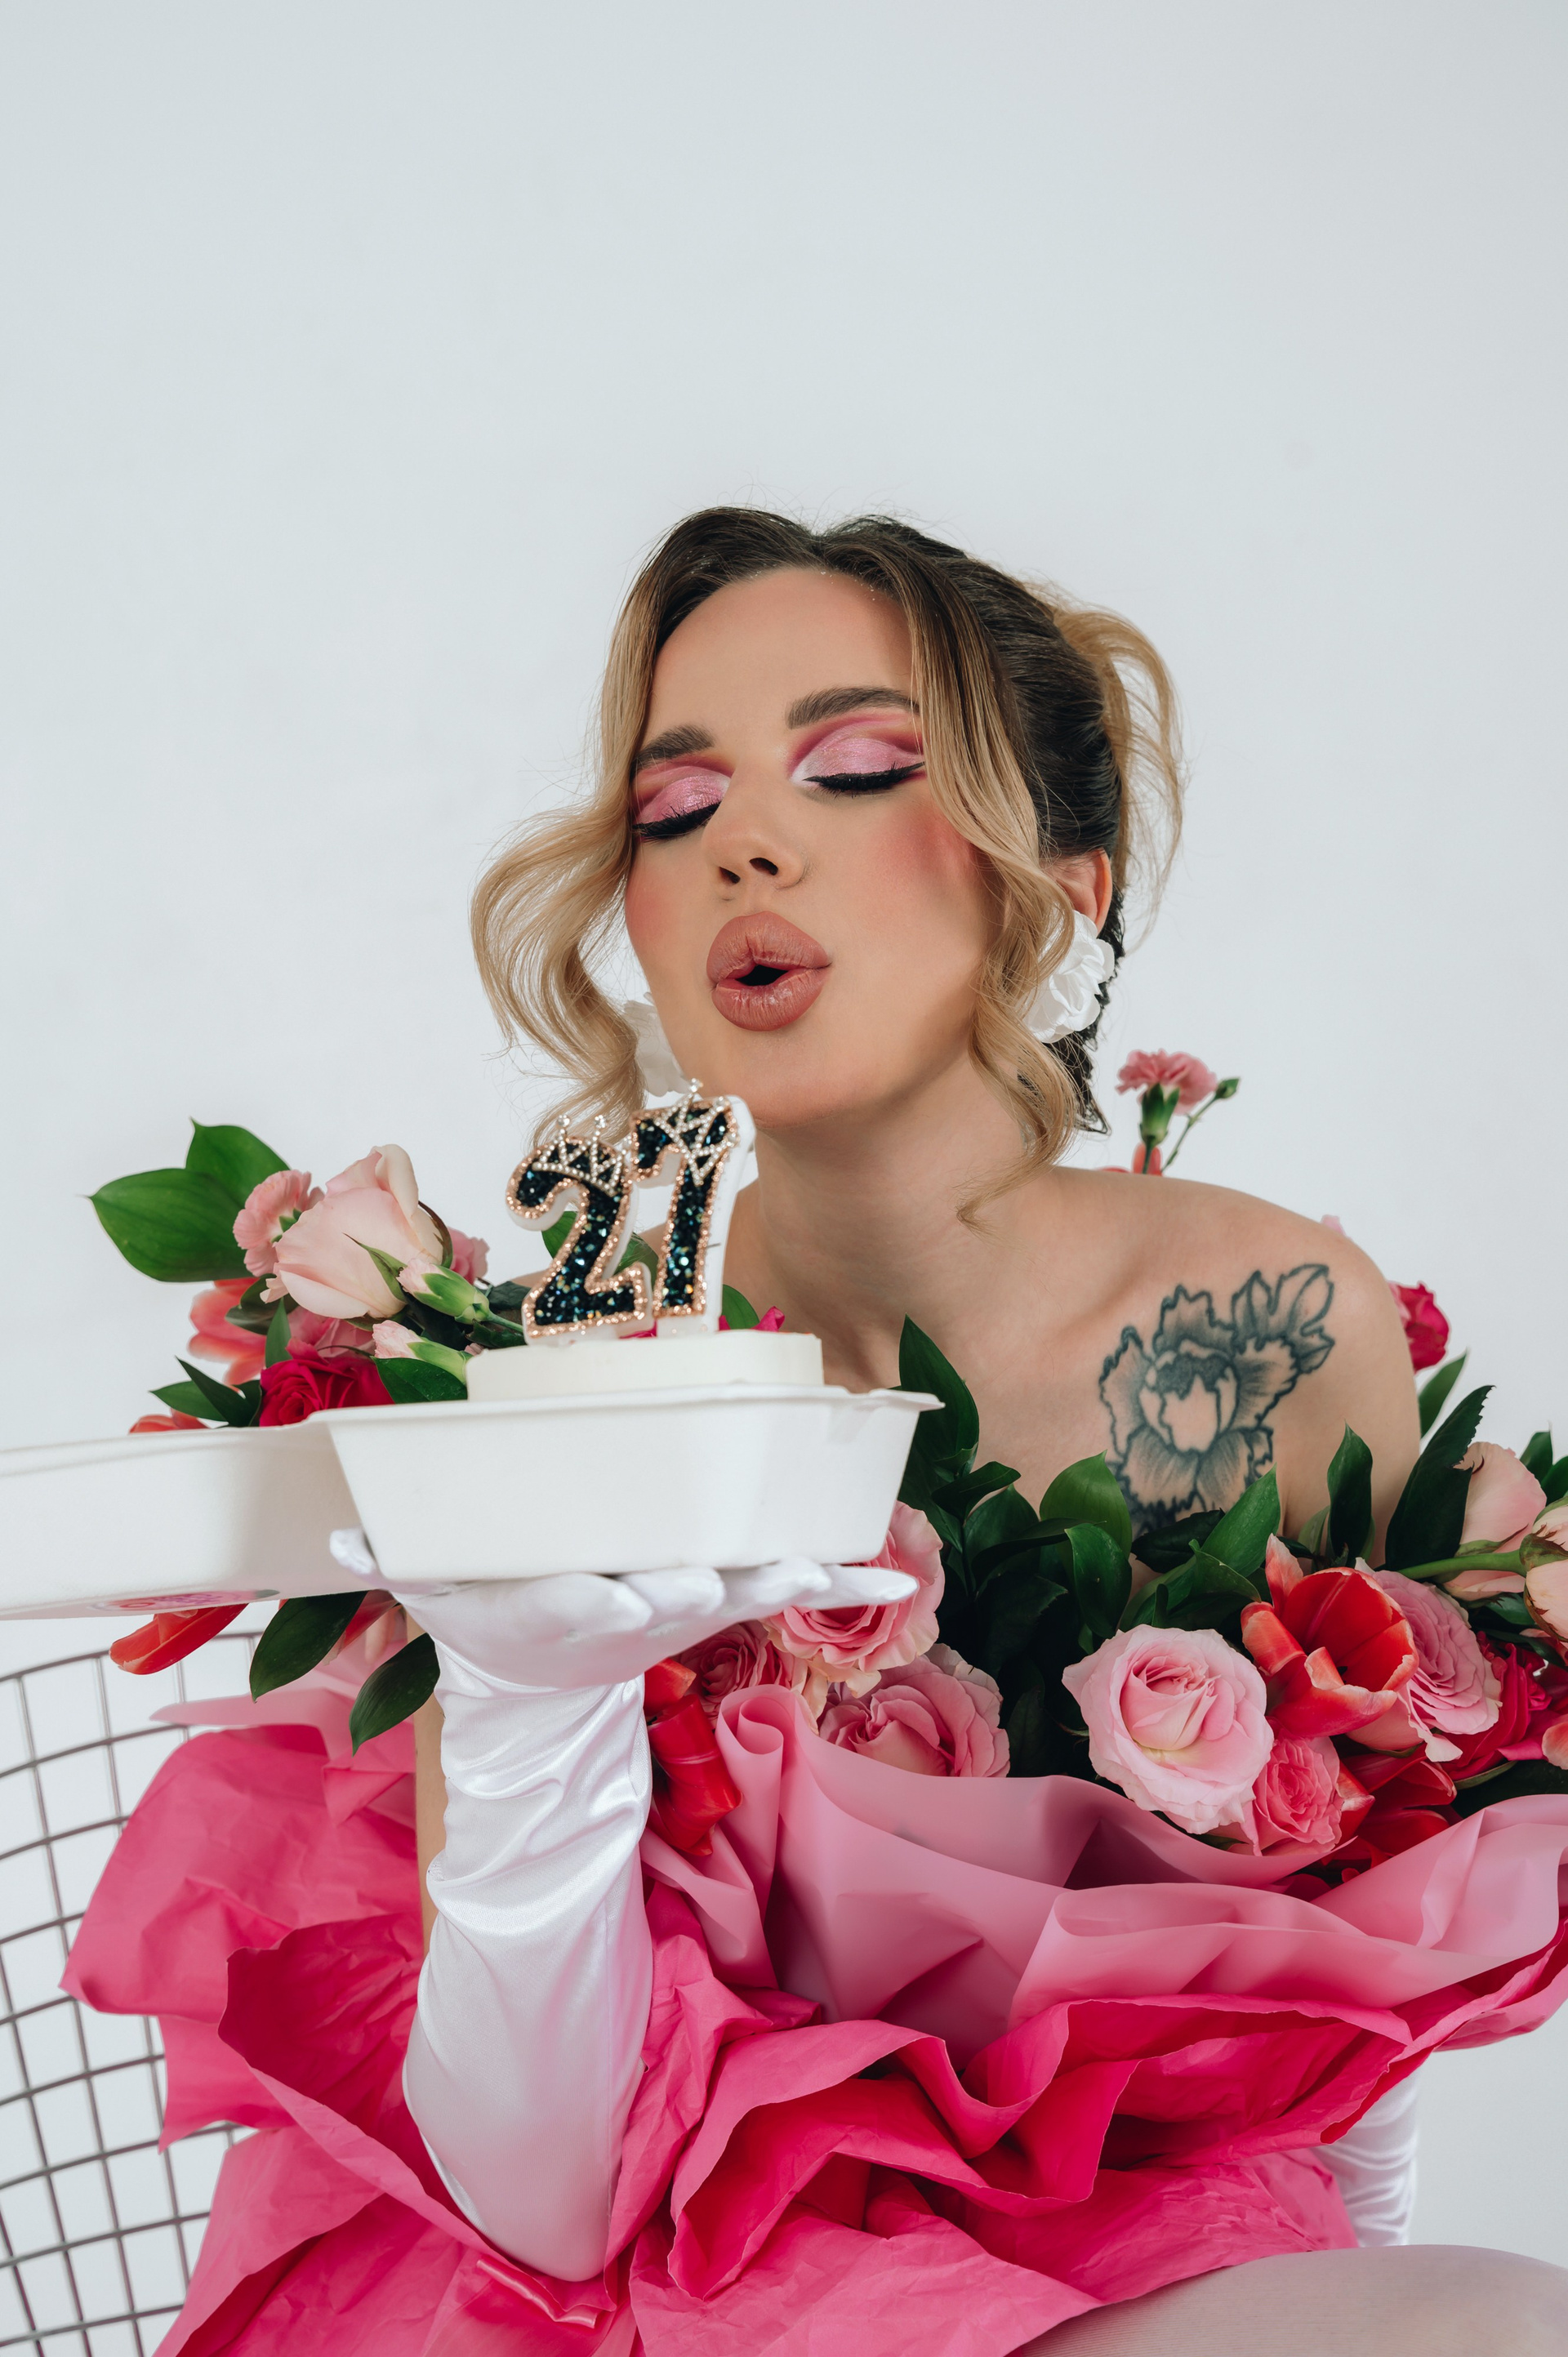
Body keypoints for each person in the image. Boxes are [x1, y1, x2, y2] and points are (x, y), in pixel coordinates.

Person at [68, 510, 1568, 2355]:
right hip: (629, 2295)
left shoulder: (1274, 1327)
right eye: (676, 805)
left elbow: (1349, 1996)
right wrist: (529, 1697)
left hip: (1142, 2273)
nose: (744, 846)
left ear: (1061, 882)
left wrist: (1359, 2292)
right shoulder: (556, 1389)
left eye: (854, 769)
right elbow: (539, 2190)